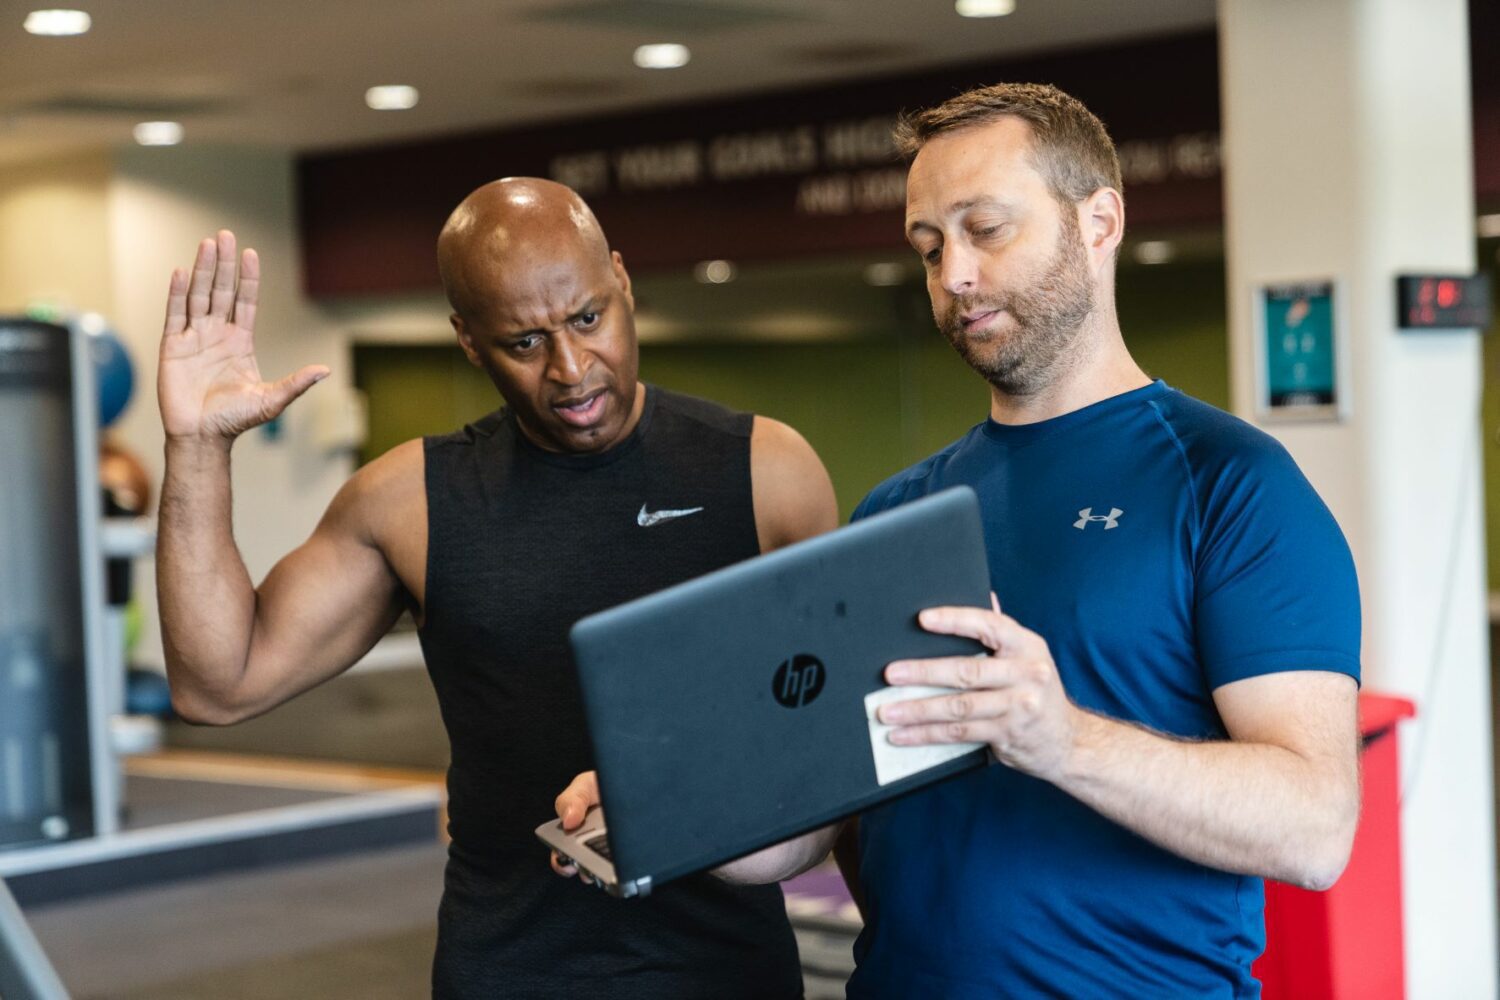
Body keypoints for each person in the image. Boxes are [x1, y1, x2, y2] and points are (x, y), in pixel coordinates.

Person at [556, 82, 1362, 997]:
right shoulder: (901, 512)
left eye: (987, 229)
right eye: (931, 248)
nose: (955, 277)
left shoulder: (1230, 484)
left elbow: (1317, 826)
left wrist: (1061, 740)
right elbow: (811, 828)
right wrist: (667, 804)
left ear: (1099, 222)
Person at [155, 177, 837, 998]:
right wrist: (196, 446)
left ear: (622, 280)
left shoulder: (768, 473)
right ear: (469, 342)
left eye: (589, 318)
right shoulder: (410, 502)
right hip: (512, 969)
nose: (572, 368)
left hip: (729, 972)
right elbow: (216, 683)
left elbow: (834, 743)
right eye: (523, 343)